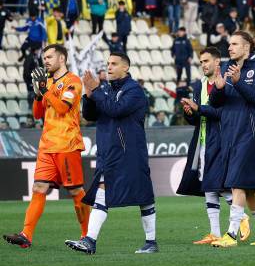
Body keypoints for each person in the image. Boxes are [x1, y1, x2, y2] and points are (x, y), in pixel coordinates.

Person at [65, 52, 158, 254]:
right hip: (110, 152)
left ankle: (151, 242)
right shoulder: (105, 89)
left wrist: (96, 90)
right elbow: (90, 115)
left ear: (125, 67)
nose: (109, 67)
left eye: (114, 64)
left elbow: (115, 109)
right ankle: (90, 240)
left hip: (130, 151)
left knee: (144, 195)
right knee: (103, 189)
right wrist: (89, 96)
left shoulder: (134, 91)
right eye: (108, 63)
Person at [4, 45, 90, 249]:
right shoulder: (47, 82)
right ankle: (26, 235)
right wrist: (37, 94)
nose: (46, 61)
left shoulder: (73, 81)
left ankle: (87, 235)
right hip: (47, 146)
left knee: (76, 191)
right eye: (44, 58)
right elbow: (36, 114)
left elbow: (62, 108)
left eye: (50, 57)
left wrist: (44, 90)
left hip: (67, 144)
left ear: (62, 59)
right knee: (38, 187)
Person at [208, 31, 255, 248]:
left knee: (237, 183)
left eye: (235, 44)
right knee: (248, 190)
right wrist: (218, 89)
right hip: (230, 133)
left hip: (251, 133)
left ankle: (230, 234)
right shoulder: (229, 69)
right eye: (229, 44)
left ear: (247, 47)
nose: (230, 48)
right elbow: (216, 103)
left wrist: (238, 82)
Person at [177, 47, 250, 245]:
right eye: (201, 62)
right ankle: (215, 233)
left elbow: (222, 114)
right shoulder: (199, 85)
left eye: (207, 61)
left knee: (216, 184)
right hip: (202, 140)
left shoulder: (224, 84)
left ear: (218, 62)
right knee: (209, 186)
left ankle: (241, 216)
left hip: (221, 139)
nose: (203, 65)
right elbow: (197, 117)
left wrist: (198, 108)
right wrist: (190, 113)